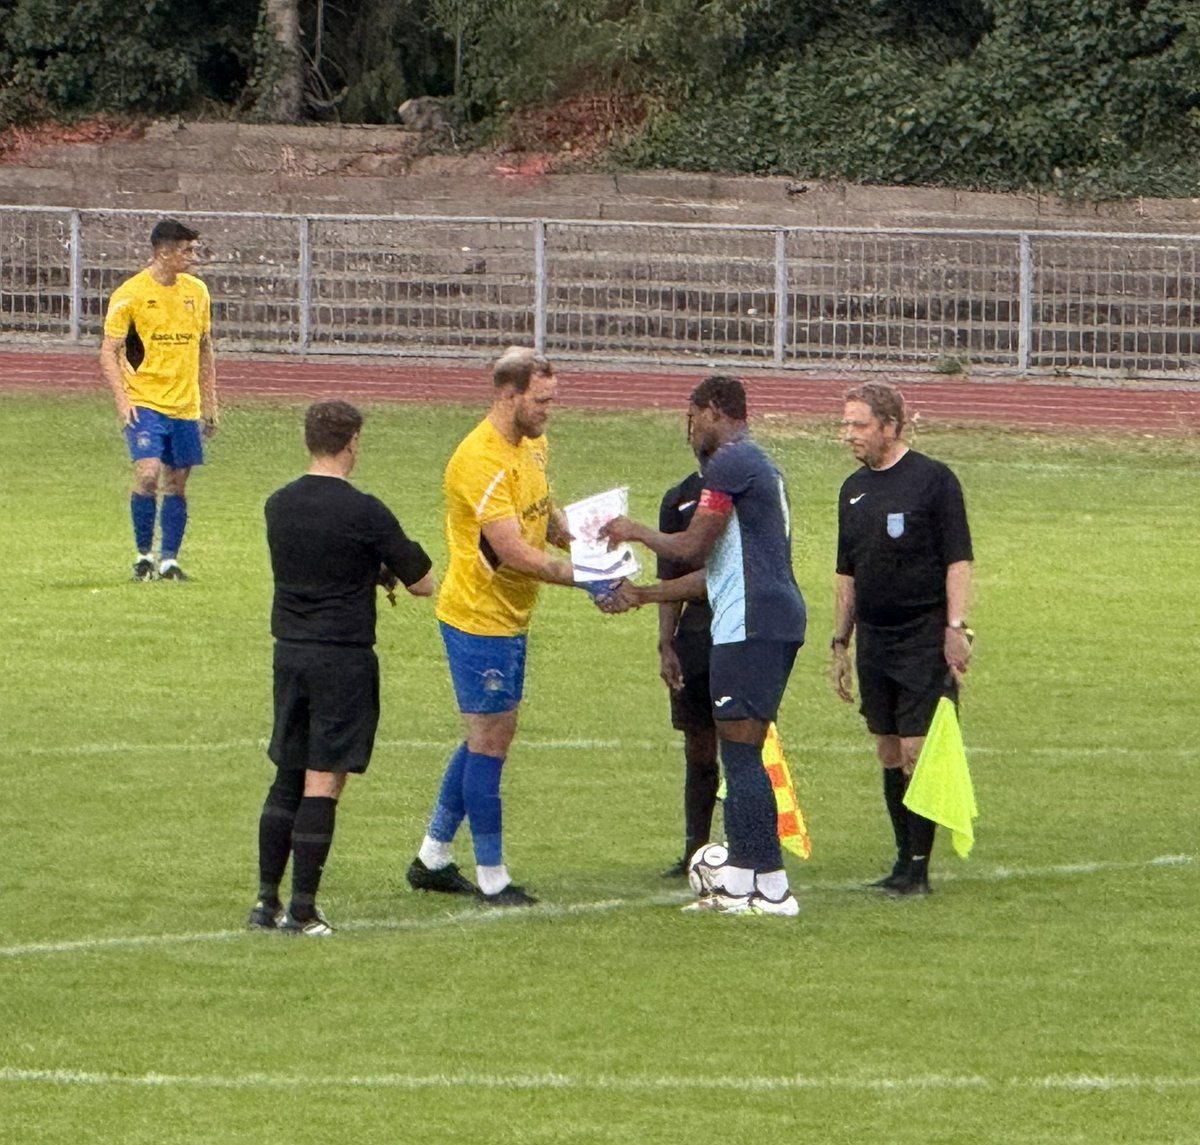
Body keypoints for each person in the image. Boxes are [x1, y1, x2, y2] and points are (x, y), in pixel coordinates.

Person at [601, 375, 808, 916]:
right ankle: (748, 883)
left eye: (691, 417)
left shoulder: (729, 463)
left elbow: (692, 547)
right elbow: (711, 576)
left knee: (740, 755)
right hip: (768, 617)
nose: (689, 429)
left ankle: (768, 889)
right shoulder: (757, 465)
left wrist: (633, 530)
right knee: (742, 752)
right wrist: (643, 595)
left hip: (750, 623)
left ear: (713, 411)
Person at [406, 347, 601, 908]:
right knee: (490, 740)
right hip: (478, 619)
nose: (548, 411)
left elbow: (541, 512)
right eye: (540, 401)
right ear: (507, 394)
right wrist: (587, 577)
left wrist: (584, 538)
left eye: (552, 401)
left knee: (488, 735)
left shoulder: (533, 444)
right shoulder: (478, 460)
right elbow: (512, 551)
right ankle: (492, 877)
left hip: (510, 616)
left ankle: (432, 858)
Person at [249, 400, 435, 936]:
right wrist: (379, 568)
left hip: (290, 651)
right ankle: (303, 909)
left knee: (288, 773)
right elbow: (423, 581)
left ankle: (265, 902)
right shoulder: (365, 512)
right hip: (342, 656)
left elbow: (315, 560)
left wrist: (363, 568)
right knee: (324, 779)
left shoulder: (278, 504)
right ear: (352, 442)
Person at [831, 381, 974, 896]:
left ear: (890, 426)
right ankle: (901, 861)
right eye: (846, 424)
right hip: (874, 639)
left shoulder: (934, 481)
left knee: (917, 751)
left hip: (922, 636)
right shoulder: (852, 490)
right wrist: (839, 643)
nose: (849, 434)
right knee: (889, 751)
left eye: (860, 425)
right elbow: (846, 573)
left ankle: (918, 869)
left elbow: (958, 561)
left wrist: (955, 629)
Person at [99, 218, 219, 582]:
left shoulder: (197, 292)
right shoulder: (131, 294)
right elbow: (108, 351)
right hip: (145, 402)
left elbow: (205, 348)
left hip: (185, 405)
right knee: (148, 473)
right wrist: (123, 402)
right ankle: (142, 556)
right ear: (164, 253)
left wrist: (211, 402)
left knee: (176, 483)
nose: (193, 257)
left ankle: (169, 562)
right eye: (187, 250)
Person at [656, 464, 719, 879]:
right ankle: (695, 851)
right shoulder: (678, 497)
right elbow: (668, 577)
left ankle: (754, 846)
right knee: (698, 744)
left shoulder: (746, 489)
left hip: (740, 627)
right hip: (694, 632)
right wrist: (666, 642)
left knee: (745, 739)